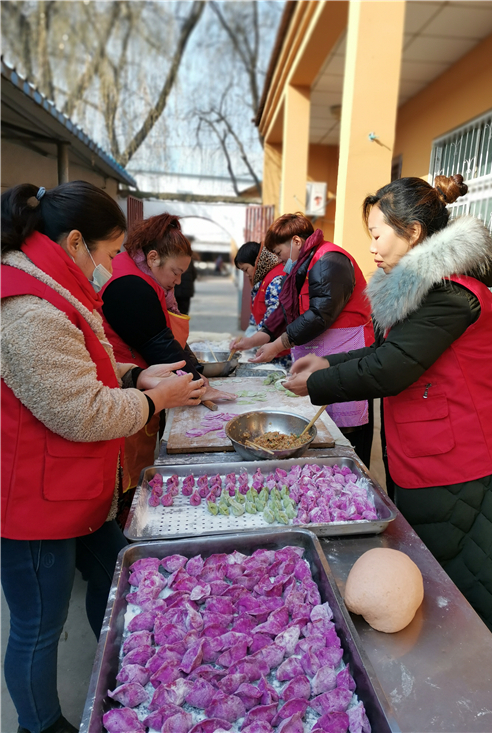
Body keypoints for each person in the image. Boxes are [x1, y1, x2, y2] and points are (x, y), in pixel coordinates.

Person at [284, 175, 492, 655]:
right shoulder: (422, 291)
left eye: (377, 234)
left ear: (414, 232)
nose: (372, 247)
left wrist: (316, 385)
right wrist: (327, 364)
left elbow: (392, 367)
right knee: (445, 577)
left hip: (473, 460)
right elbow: (389, 351)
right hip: (439, 451)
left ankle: (480, 667)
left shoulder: (451, 294)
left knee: (480, 578)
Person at [1, 182, 207, 733]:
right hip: (36, 502)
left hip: (73, 488)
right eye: (111, 252)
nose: (112, 266)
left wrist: (138, 376)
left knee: (121, 570)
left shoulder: (56, 291)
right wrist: (156, 399)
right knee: (38, 626)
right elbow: (81, 410)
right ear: (75, 243)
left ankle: (122, 667)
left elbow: (80, 368)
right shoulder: (27, 309)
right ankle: (40, 724)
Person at [100, 213, 234, 505]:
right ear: (152, 258)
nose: (178, 280)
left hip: (143, 382)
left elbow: (169, 339)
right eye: (175, 272)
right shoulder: (129, 286)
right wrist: (198, 385)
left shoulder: (142, 277)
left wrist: (196, 371)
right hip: (124, 390)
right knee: (123, 483)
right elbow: (159, 344)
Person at [231, 213, 375, 467]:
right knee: (322, 427)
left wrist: (279, 345)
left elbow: (320, 314)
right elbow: (285, 312)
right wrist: (254, 341)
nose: (279, 260)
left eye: (279, 252)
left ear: (296, 241)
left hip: (347, 353)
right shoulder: (303, 265)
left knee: (346, 435)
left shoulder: (329, 259)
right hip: (322, 355)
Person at [231, 240, 291, 365]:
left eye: (246, 269)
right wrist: (247, 339)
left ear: (257, 262)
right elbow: (255, 319)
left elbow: (274, 320)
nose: (246, 275)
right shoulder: (262, 281)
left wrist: (252, 340)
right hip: (267, 345)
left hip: (279, 349)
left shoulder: (276, 280)